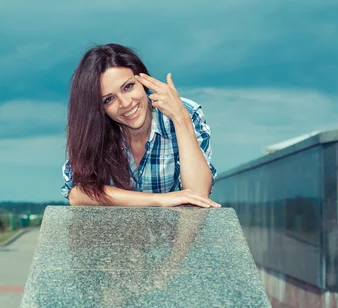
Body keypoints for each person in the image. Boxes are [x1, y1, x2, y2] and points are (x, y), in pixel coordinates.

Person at [61, 43, 220, 208]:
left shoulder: (186, 112)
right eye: (109, 99)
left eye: (128, 87)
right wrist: (159, 200)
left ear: (144, 82)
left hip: (175, 232)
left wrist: (180, 119)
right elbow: (77, 193)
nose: (125, 103)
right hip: (113, 232)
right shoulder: (95, 130)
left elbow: (198, 195)